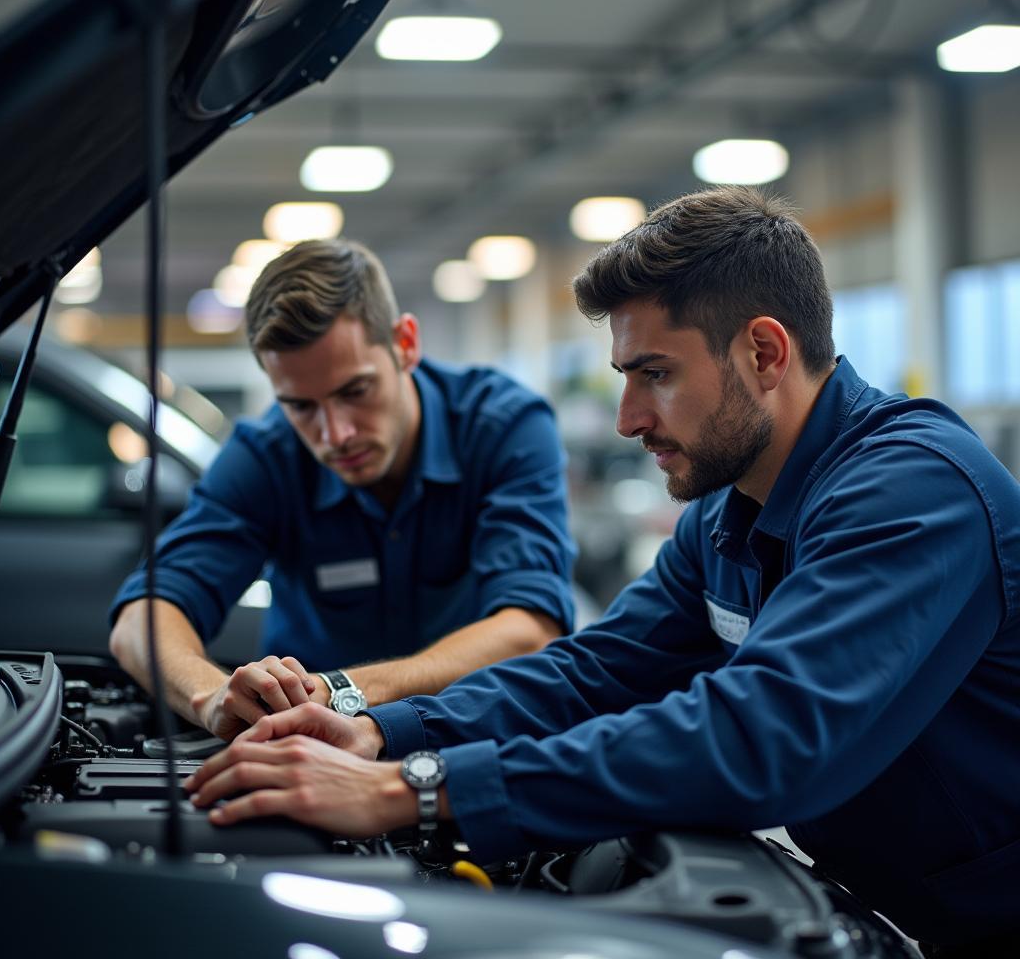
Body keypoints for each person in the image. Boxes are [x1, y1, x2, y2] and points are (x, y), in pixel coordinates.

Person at [185, 188, 1020, 956]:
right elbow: (593, 672)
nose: (627, 420)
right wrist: (379, 732)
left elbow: (763, 737)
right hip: (878, 911)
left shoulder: (913, 491)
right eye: (627, 377)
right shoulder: (725, 519)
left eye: (655, 373)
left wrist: (416, 789)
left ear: (765, 351)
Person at [109, 238, 575, 740]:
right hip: (312, 747)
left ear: (406, 343)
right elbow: (142, 618)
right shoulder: (266, 455)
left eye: (355, 392)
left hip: (474, 735)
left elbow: (530, 628)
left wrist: (344, 690)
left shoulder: (502, 425)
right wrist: (209, 696)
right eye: (301, 406)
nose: (336, 435)